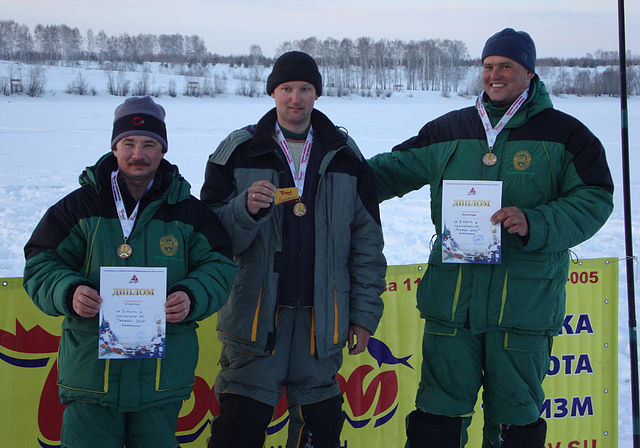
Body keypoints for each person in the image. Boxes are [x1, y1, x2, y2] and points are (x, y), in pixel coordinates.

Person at [367, 28, 614, 448]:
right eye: (488, 66)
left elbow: (595, 198)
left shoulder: (565, 134)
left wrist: (535, 221)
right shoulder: (449, 129)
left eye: (506, 66)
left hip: (523, 309)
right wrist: (324, 173)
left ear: (529, 73)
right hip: (452, 309)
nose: (495, 75)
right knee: (437, 417)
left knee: (515, 422)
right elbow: (385, 172)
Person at [23, 96, 237, 448]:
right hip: (92, 379)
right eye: (129, 144)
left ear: (163, 150)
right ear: (115, 147)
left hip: (160, 380)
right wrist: (69, 291)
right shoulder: (79, 207)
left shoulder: (189, 212)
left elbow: (219, 265)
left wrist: (191, 295)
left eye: (149, 144)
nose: (138, 154)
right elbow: (40, 263)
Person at [200, 51, 386, 448]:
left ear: (316, 94)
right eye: (286, 89)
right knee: (237, 432)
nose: (295, 98)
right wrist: (243, 210)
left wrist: (365, 315)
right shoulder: (238, 151)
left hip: (322, 326)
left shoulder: (346, 156)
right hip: (254, 323)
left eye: (304, 89)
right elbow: (209, 239)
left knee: (319, 433)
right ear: (272, 93)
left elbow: (367, 245)